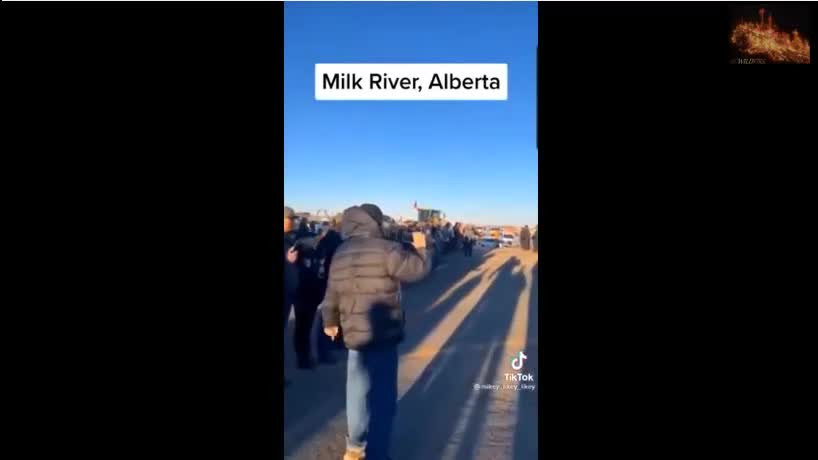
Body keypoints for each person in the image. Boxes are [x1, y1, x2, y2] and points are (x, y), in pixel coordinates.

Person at [322, 204, 432, 460]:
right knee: (383, 398)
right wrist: (424, 247)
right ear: (375, 222)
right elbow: (418, 271)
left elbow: (332, 291)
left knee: (356, 394)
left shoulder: (341, 251)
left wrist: (330, 319)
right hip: (383, 334)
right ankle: (377, 454)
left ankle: (354, 448)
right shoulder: (386, 249)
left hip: (354, 335)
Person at [285, 211, 323, 369]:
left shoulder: (295, 237)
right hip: (288, 290)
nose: (292, 222)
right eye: (289, 219)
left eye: (294, 219)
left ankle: (303, 359)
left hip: (299, 289)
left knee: (303, 327)